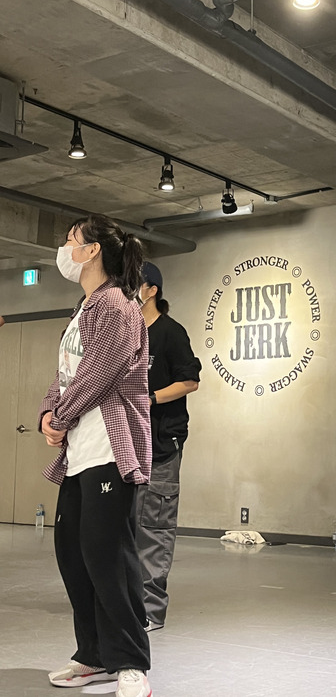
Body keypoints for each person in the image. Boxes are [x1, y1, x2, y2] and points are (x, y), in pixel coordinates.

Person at [39, 214, 153, 697]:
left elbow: (100, 373)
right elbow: (67, 374)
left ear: (92, 252)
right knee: (74, 555)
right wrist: (48, 411)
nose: (65, 248)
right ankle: (93, 655)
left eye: (71, 241)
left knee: (109, 558)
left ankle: (131, 663)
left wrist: (60, 417)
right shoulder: (83, 308)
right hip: (79, 454)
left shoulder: (116, 305)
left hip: (109, 447)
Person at [136, 262, 201, 632]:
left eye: (135, 285)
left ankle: (151, 609)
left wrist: (151, 400)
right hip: (129, 440)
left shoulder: (171, 333)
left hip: (164, 440)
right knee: (128, 524)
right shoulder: (129, 334)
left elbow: (190, 381)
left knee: (154, 525)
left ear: (152, 290)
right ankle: (127, 601)